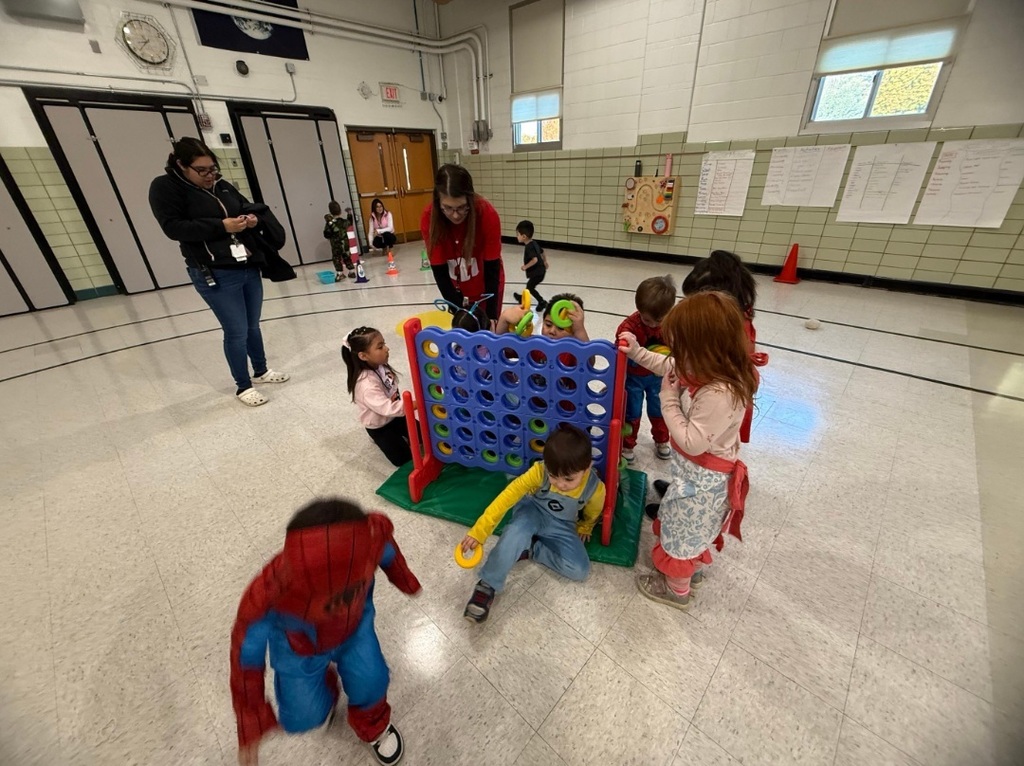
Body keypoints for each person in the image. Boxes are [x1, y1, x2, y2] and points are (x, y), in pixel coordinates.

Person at [230, 497, 420, 766]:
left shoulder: (371, 540)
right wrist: (251, 717)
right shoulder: (268, 593)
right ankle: (326, 687)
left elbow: (388, 551)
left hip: (355, 629)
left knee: (372, 679)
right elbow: (245, 656)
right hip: (298, 646)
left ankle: (374, 724)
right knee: (302, 716)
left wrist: (405, 579)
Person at [634, 292, 756, 610]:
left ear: (704, 347)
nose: (676, 354)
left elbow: (691, 441)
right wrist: (635, 352)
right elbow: (667, 365)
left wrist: (668, 399)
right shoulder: (704, 365)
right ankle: (691, 570)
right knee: (689, 529)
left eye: (681, 346)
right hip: (692, 476)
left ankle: (676, 589)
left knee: (681, 531)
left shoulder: (720, 393)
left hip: (702, 485)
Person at [149, 137, 289, 407]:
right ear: (181, 165)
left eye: (213, 169)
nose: (210, 175)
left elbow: (244, 205)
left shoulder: (222, 185)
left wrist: (251, 219)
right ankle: (243, 386)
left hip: (246, 264)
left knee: (252, 325)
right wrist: (221, 226)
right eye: (202, 170)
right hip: (214, 272)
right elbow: (174, 228)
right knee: (236, 331)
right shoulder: (164, 187)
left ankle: (260, 370)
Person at [460, 423, 605, 623]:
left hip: (562, 524)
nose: (560, 484)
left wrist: (586, 526)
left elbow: (594, 510)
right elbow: (506, 498)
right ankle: (487, 583)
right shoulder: (539, 471)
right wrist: (480, 531)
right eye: (553, 476)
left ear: (587, 467)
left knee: (580, 570)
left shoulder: (595, 488)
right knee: (514, 534)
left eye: (568, 479)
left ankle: (532, 549)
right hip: (532, 511)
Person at [682, 250, 767, 444]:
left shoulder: (730, 329)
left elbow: (707, 366)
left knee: (712, 440)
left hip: (722, 392)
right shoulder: (737, 316)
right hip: (726, 386)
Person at [421, 164, 505, 328]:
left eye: (461, 207)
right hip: (456, 289)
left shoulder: (487, 214)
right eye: (448, 208)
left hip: (487, 287)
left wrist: (492, 317)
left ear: (470, 200)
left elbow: (492, 269)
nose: (455, 215)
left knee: (488, 332)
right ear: (438, 202)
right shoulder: (429, 218)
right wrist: (457, 308)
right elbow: (440, 273)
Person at [616, 276, 677, 464]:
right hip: (633, 378)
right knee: (632, 411)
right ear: (640, 310)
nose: (653, 325)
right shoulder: (629, 327)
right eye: (647, 319)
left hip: (658, 377)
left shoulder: (670, 325)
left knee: (659, 409)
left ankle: (662, 440)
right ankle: (627, 445)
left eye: (659, 320)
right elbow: (619, 350)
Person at [341, 326, 412, 467]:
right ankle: (377, 438)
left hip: (396, 416)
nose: (387, 348)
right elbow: (386, 408)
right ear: (363, 356)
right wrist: (412, 404)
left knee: (426, 436)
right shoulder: (366, 385)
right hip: (380, 426)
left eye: (384, 344)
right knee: (403, 460)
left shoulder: (379, 365)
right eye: (380, 347)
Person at [496, 292, 589, 341]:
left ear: (573, 332)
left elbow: (588, 361)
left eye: (561, 328)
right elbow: (505, 348)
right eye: (548, 325)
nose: (552, 331)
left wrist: (580, 330)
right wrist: (504, 319)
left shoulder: (572, 353)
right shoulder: (536, 346)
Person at [512, 220, 548, 311]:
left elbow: (534, 260)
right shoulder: (534, 243)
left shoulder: (529, 247)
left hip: (538, 273)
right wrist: (545, 261)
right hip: (541, 271)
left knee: (530, 287)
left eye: (518, 234)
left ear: (524, 236)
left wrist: (525, 267)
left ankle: (542, 302)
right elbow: (542, 251)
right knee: (529, 286)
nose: (517, 236)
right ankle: (522, 298)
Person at [323, 201, 356, 281]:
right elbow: (350, 222)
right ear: (340, 211)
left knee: (336, 258)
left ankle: (340, 273)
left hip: (336, 245)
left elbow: (326, 233)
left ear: (330, 212)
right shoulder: (344, 222)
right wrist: (349, 214)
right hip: (345, 244)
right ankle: (351, 271)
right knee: (347, 257)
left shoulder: (330, 223)